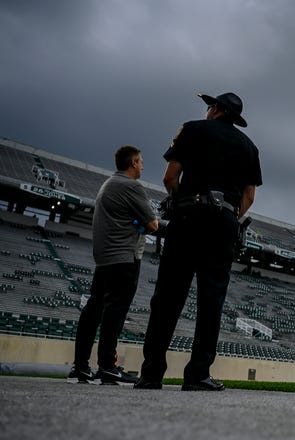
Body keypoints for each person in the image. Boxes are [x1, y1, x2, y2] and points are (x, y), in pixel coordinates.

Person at [135, 92, 262, 391]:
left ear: (216, 110)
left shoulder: (192, 129)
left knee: (167, 297)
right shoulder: (250, 147)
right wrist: (229, 216)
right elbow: (249, 196)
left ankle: (152, 373)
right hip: (225, 224)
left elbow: (170, 177)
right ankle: (198, 374)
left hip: (189, 216)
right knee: (211, 300)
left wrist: (184, 204)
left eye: (209, 106)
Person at [68, 146, 158, 384]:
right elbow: (153, 225)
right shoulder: (131, 186)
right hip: (123, 257)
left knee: (94, 309)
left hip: (105, 257)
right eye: (140, 162)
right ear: (132, 162)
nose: (142, 166)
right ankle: (107, 365)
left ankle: (80, 366)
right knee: (114, 312)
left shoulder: (108, 184)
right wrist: (142, 219)